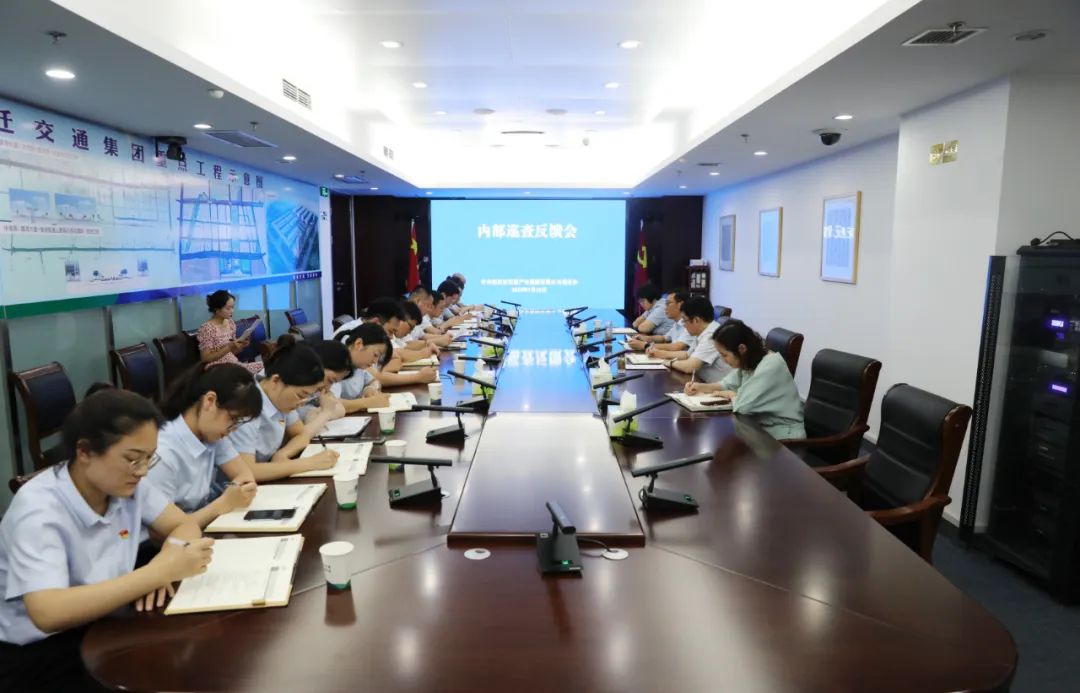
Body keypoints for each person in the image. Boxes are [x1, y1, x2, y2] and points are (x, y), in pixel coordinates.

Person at [0, 390, 213, 691]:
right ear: (85, 451)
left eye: (149, 459)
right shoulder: (38, 509)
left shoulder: (127, 485)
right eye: (132, 459)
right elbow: (47, 612)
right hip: (41, 655)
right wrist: (156, 574)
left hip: (106, 622)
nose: (142, 471)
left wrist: (168, 559)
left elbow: (184, 524)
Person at [147, 363, 262, 529]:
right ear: (210, 401)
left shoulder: (211, 434)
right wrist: (223, 503)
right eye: (233, 419)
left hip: (200, 528)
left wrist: (236, 493)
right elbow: (164, 530)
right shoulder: (163, 451)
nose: (233, 429)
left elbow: (245, 475)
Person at [226, 335, 343, 481]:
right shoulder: (245, 405)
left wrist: (283, 453)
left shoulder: (281, 400)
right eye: (301, 395)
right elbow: (247, 471)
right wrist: (310, 463)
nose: (302, 403)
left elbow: (301, 434)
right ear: (276, 380)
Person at [685, 320, 805, 439]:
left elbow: (742, 407)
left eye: (724, 355)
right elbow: (727, 384)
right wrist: (699, 387)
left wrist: (732, 395)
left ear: (742, 349)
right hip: (758, 429)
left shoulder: (771, 365)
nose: (723, 360)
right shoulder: (750, 362)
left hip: (783, 437)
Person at [326, 324, 393, 413]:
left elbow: (373, 380)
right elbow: (330, 404)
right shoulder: (336, 364)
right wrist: (368, 403)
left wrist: (369, 389)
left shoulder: (358, 365)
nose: (375, 361)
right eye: (375, 354)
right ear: (359, 344)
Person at [196, 290, 263, 375]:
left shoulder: (230, 323)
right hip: (217, 369)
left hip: (233, 364)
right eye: (228, 308)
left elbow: (232, 352)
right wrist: (229, 347)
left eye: (232, 307)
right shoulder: (207, 329)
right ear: (217, 309)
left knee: (265, 364)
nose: (232, 311)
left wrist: (240, 346)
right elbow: (205, 359)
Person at [667, 296, 729, 382]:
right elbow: (687, 355)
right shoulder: (702, 332)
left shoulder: (712, 336)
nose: (683, 325)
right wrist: (660, 355)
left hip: (716, 387)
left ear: (696, 320)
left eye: (684, 320)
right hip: (702, 382)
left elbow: (689, 367)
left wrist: (670, 363)